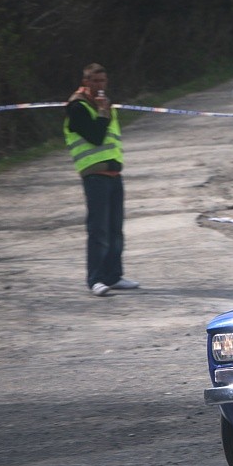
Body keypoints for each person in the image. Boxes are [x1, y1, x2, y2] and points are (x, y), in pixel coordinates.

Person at [63, 63, 139, 297]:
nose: (100, 85)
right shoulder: (77, 107)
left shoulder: (104, 104)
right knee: (99, 231)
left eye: (102, 81)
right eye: (94, 81)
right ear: (85, 82)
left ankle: (113, 276)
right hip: (94, 175)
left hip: (114, 174)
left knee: (115, 230)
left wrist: (105, 110)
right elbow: (95, 136)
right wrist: (103, 113)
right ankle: (95, 279)